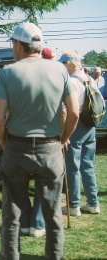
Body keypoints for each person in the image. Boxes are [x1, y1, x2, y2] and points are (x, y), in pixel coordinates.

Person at [0, 22, 79, 259]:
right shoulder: (59, 70)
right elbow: (73, 113)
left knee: (12, 214)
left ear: (19, 45)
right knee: (53, 215)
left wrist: (4, 143)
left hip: (16, 147)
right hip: (50, 148)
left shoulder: (8, 73)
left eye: (13, 44)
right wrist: (62, 140)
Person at [59, 53, 101, 216]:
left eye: (63, 63)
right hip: (90, 126)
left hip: (77, 126)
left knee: (72, 166)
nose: (62, 66)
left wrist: (65, 133)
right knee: (87, 165)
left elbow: (69, 110)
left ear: (70, 63)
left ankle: (74, 205)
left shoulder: (72, 82)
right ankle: (93, 203)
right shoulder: (89, 79)